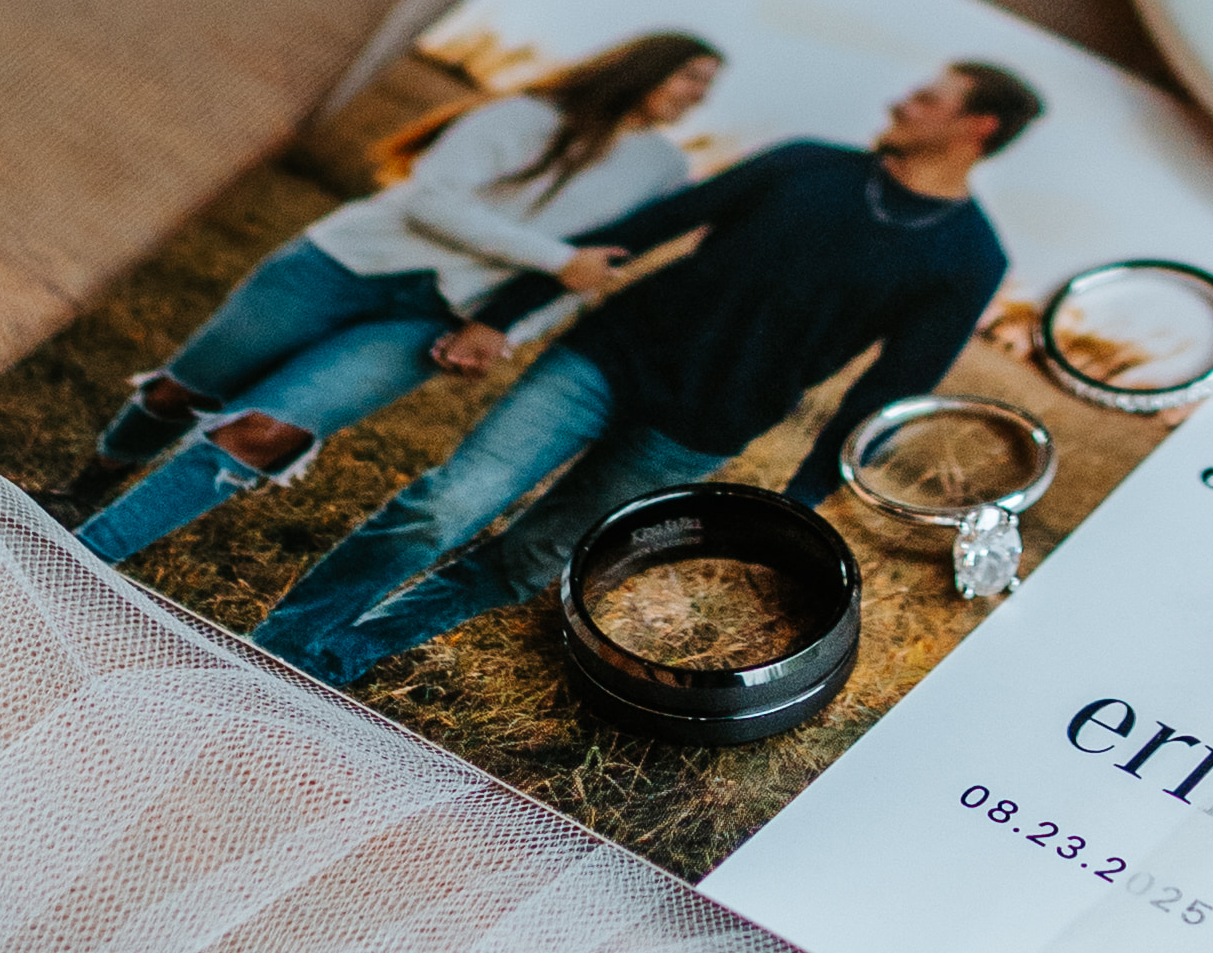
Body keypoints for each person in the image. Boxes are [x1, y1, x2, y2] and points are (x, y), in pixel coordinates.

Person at [254, 59, 1048, 696]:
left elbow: (890, 394)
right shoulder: (807, 164)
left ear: (976, 126)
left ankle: (336, 657)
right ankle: (278, 644)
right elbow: (650, 228)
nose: (904, 102)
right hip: (609, 358)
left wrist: (802, 499)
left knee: (530, 561)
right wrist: (507, 313)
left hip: (703, 427)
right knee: (446, 505)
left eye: (928, 97)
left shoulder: (971, 258)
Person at [55, 36, 726, 569]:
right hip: (339, 265)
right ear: (646, 66)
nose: (697, 96)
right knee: (183, 392)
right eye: (691, 76)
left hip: (435, 318)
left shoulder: (663, 171)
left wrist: (506, 330)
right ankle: (84, 487)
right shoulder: (525, 116)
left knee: (269, 430)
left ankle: (86, 555)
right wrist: (554, 258)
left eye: (707, 88)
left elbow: (597, 267)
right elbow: (433, 200)